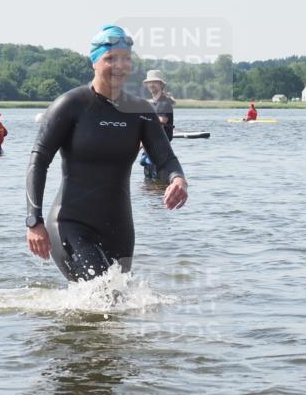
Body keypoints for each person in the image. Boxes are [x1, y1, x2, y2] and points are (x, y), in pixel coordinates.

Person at [25, 25, 188, 282]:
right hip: (70, 223)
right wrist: (34, 220)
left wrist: (177, 179)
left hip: (119, 229)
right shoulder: (71, 105)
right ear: (94, 62)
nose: (119, 65)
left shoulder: (140, 110)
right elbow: (39, 160)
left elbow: (165, 158)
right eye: (110, 58)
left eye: (126, 58)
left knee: (119, 305)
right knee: (103, 296)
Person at [139, 69, 175, 179]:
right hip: (149, 149)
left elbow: (160, 122)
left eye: (154, 82)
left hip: (159, 150)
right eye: (149, 82)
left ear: (161, 84)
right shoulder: (151, 103)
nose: (151, 84)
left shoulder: (165, 103)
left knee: (156, 184)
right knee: (149, 185)